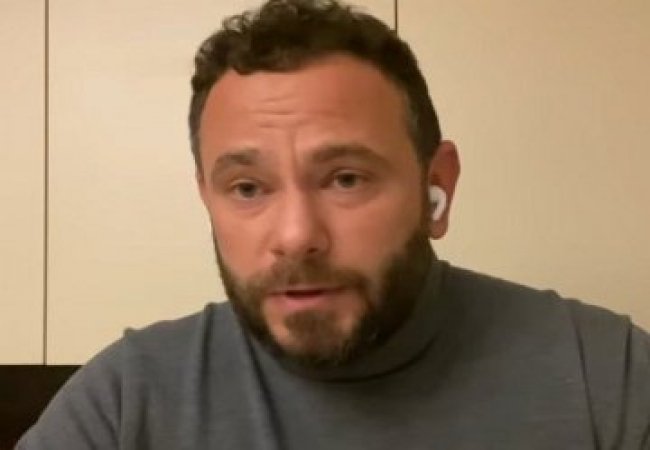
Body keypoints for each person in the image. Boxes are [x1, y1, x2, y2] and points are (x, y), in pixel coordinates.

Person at [17, 0, 650, 448]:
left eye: (346, 178)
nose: (296, 236)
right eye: (247, 188)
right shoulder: (126, 402)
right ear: (207, 198)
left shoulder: (607, 376)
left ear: (438, 185)